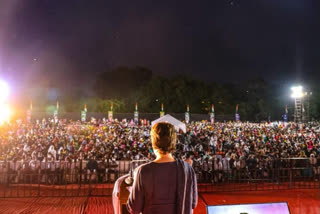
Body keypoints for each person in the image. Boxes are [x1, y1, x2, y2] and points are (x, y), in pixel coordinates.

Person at [127, 122, 198, 214]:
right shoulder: (187, 169)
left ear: (153, 142)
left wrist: (133, 189)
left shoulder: (143, 171)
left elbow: (134, 208)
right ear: (173, 141)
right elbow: (193, 203)